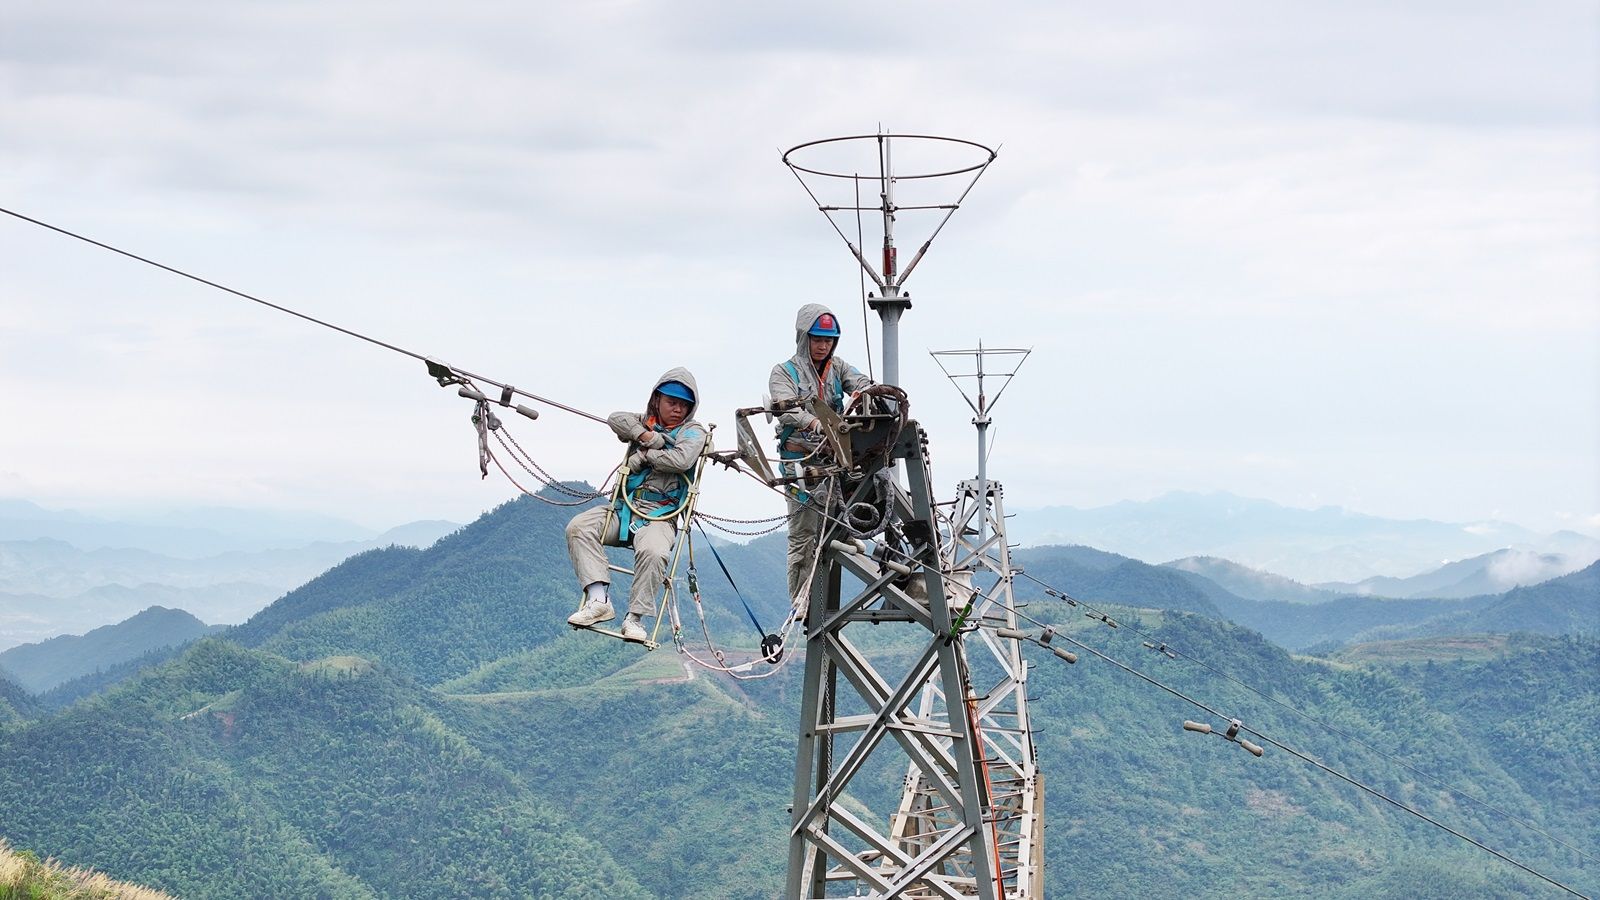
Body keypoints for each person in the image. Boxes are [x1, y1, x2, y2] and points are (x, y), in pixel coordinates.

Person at [566, 368, 707, 642]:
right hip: (624, 509)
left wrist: (644, 455)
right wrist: (646, 436)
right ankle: (598, 600)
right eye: (671, 402)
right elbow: (616, 419)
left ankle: (635, 618)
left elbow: (681, 460)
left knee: (654, 552)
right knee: (579, 527)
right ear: (657, 400)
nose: (678, 409)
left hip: (661, 516)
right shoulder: (644, 422)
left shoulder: (693, 431)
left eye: (683, 405)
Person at [768, 304, 874, 601]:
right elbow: (785, 409)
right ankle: (801, 599)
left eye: (828, 340)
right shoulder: (784, 372)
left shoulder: (837, 367)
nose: (823, 345)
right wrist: (816, 424)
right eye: (817, 339)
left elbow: (861, 381)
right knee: (803, 536)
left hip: (835, 460)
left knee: (861, 491)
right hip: (801, 463)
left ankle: (846, 530)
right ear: (804, 338)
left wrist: (862, 392)